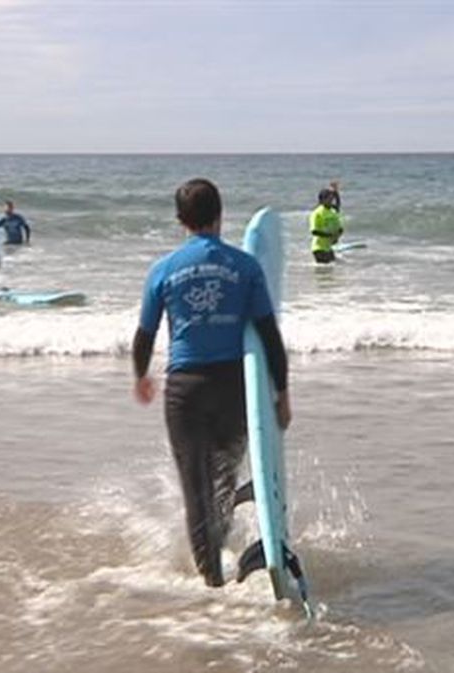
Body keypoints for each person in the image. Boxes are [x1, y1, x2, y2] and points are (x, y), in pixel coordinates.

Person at [132, 178, 291, 588]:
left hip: (185, 390)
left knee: (195, 488)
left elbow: (145, 335)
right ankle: (227, 552)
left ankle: (211, 581)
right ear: (221, 215)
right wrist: (281, 393)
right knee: (224, 479)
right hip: (234, 387)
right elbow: (268, 333)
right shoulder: (244, 266)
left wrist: (140, 376)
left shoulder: (163, 269)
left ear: (180, 221)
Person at [309, 187, 343, 264]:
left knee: (334, 267)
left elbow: (339, 228)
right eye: (329, 199)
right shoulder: (316, 213)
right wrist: (329, 235)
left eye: (332, 199)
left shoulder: (333, 212)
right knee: (325, 270)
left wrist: (337, 236)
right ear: (322, 200)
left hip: (328, 247)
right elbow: (314, 231)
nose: (331, 201)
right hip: (319, 248)